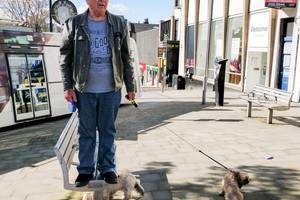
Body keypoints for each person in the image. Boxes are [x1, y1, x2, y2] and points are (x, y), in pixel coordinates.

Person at [60, 0, 135, 187]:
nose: (102, 1)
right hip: (84, 90)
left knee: (108, 130)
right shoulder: (73, 24)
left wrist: (130, 87)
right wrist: (67, 86)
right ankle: (85, 170)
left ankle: (108, 168)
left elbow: (126, 57)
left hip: (111, 90)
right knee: (86, 132)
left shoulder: (119, 23)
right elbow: (65, 57)